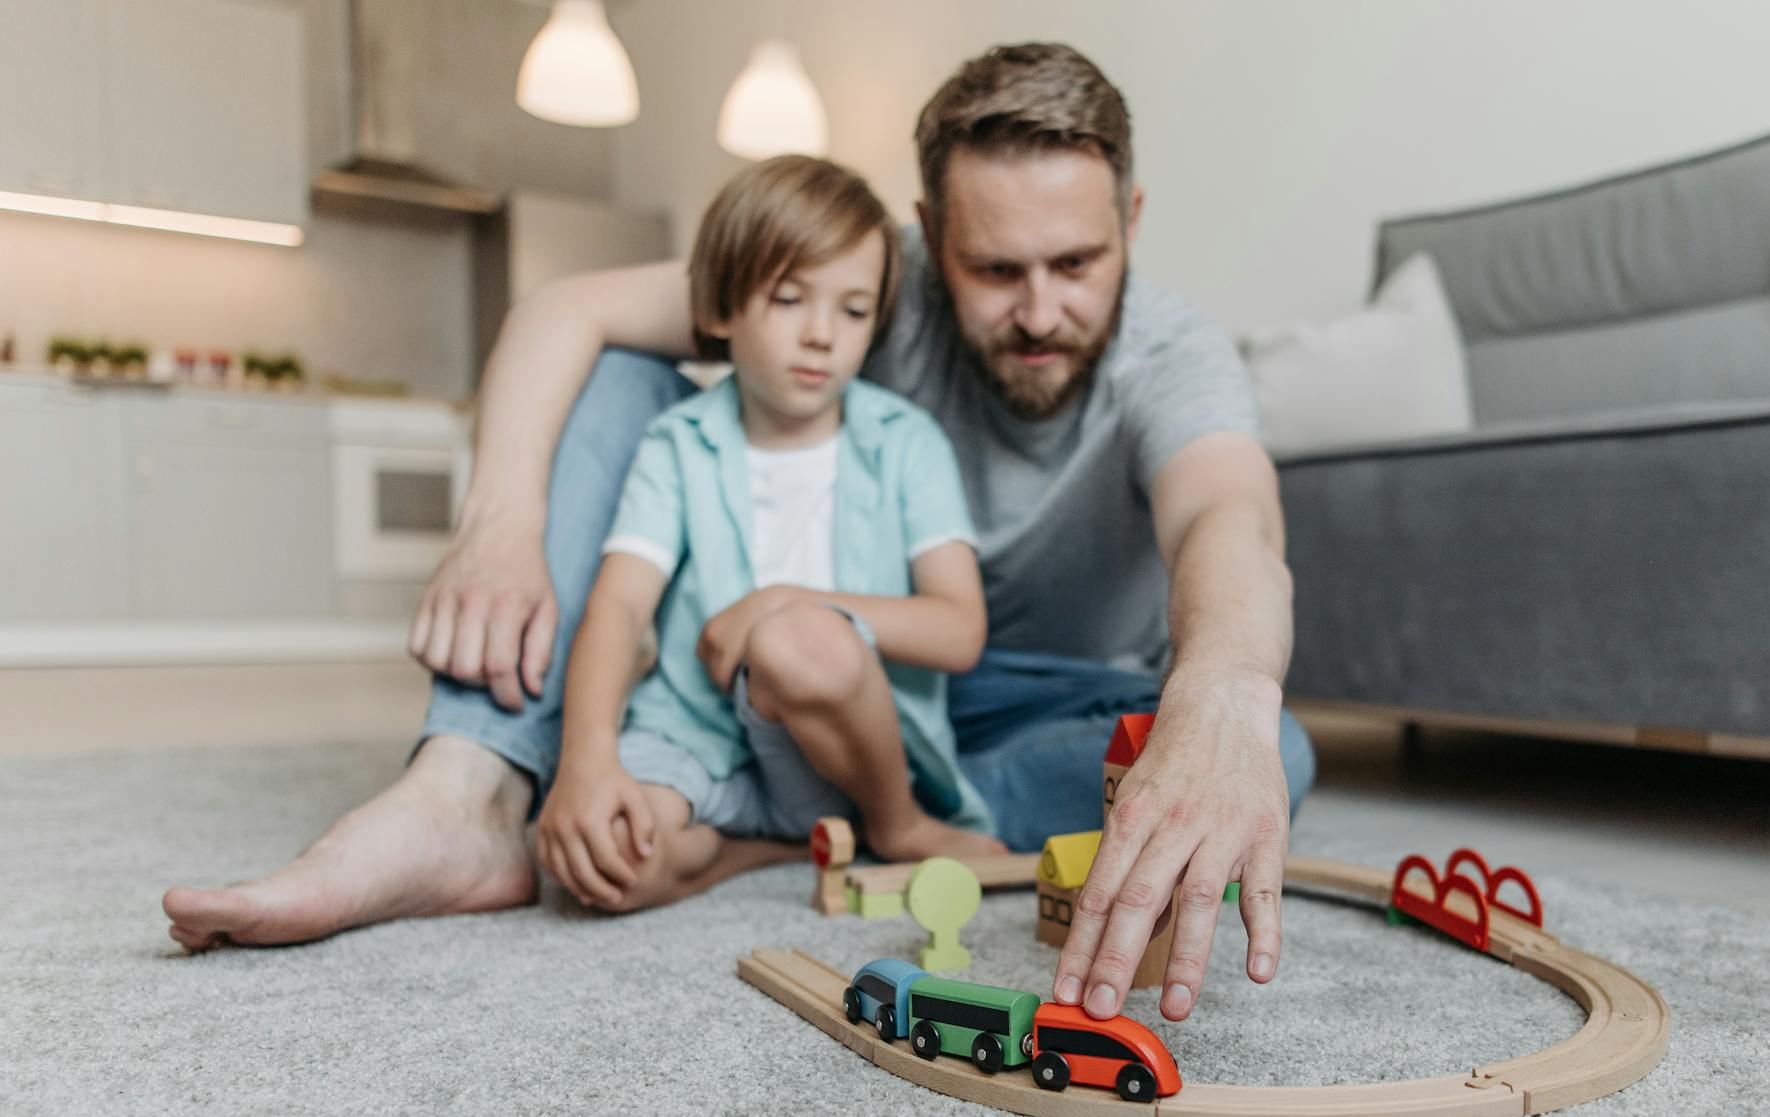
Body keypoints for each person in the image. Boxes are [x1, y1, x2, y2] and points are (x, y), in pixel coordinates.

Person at [164, 42, 1313, 1027]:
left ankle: (821, 828)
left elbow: (1228, 515)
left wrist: (1220, 691)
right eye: (993, 269)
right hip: (799, 673)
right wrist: (500, 521)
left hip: (1021, 701)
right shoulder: (868, 285)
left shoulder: (1172, 355)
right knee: (619, 367)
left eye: (1077, 263)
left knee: (1279, 746)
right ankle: (470, 786)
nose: (1039, 310)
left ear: (1131, 220)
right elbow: (565, 309)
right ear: (926, 236)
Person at [534, 156, 1003, 915]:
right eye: (789, 299)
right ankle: (781, 845)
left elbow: (960, 629)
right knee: (608, 865)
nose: (822, 335)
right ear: (721, 311)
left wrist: (783, 601)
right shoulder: (678, 443)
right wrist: (584, 763)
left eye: (853, 312)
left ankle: (893, 823)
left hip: (853, 751)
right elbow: (618, 608)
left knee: (795, 639)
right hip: (704, 736)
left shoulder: (907, 442)